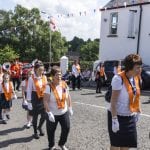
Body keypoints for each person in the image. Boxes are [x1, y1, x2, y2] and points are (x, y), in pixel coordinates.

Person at [108, 54, 142, 150]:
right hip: (117, 115)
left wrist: (138, 110)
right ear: (130, 68)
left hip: (129, 116)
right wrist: (114, 120)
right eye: (138, 67)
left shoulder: (135, 78)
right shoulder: (118, 79)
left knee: (127, 144)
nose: (140, 70)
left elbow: (136, 95)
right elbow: (113, 102)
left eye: (140, 67)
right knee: (115, 144)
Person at [43, 66, 73, 150]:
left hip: (64, 111)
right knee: (51, 131)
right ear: (52, 76)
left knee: (66, 128)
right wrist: (49, 113)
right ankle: (51, 146)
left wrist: (70, 107)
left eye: (60, 75)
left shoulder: (64, 84)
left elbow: (68, 96)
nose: (59, 77)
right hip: (52, 113)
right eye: (57, 75)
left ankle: (62, 143)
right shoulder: (49, 87)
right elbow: (45, 101)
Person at [26, 60, 47, 139]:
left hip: (43, 98)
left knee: (44, 115)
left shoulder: (44, 77)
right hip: (35, 97)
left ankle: (39, 127)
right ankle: (35, 131)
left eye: (42, 70)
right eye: (40, 70)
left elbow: (47, 88)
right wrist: (29, 102)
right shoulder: (31, 78)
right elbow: (28, 90)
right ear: (35, 69)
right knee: (35, 116)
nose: (41, 71)